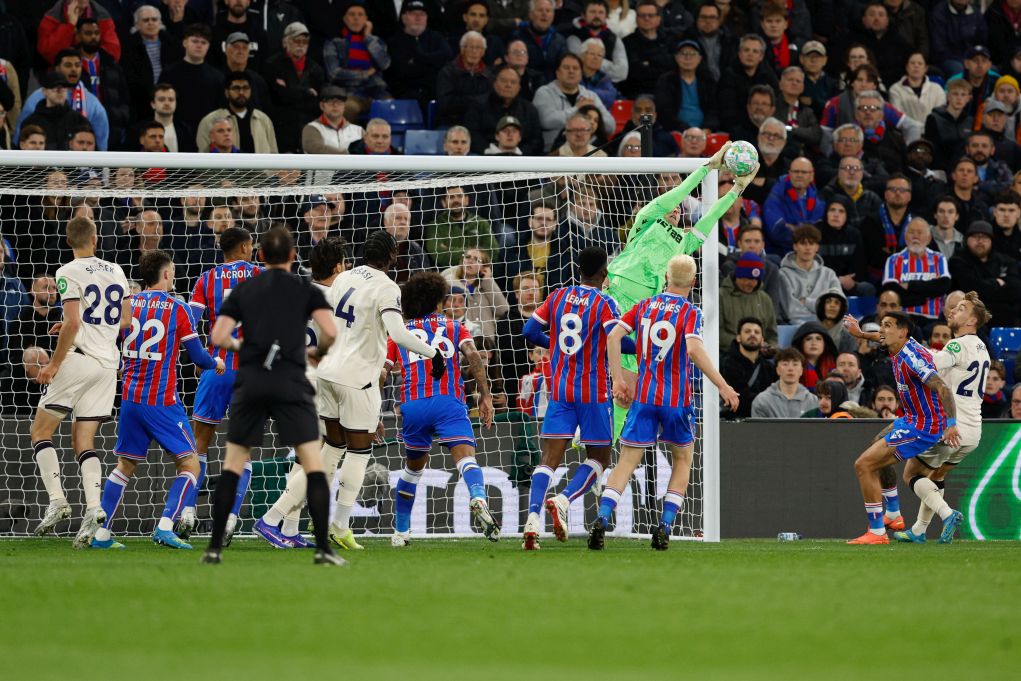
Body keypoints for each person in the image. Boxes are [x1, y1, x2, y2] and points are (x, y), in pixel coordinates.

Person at [198, 226, 342, 565]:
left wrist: (243, 348)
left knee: (233, 464)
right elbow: (330, 331)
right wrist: (316, 353)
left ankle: (214, 548)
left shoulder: (244, 288)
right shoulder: (304, 289)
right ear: (293, 255)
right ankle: (323, 549)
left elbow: (218, 336)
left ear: (261, 255)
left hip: (251, 380)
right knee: (313, 464)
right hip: (290, 380)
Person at [605, 143, 755, 442]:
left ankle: (604, 445)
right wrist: (708, 167)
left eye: (679, 207)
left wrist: (737, 189)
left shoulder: (684, 243)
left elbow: (710, 218)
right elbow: (677, 194)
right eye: (671, 205)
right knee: (598, 364)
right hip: (617, 294)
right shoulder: (647, 220)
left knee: (627, 390)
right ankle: (589, 427)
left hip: (643, 311)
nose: (675, 207)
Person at [591, 254, 739, 550]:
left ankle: (603, 518)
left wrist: (617, 379)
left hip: (644, 398)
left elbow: (613, 337)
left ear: (666, 278)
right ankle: (665, 526)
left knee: (627, 461)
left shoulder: (644, 306)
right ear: (693, 282)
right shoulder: (690, 311)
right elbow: (694, 350)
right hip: (676, 401)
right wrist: (723, 385)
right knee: (682, 460)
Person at [86, 250, 225, 550]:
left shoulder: (128, 304)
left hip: (129, 399)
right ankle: (165, 527)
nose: (173, 275)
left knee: (124, 465)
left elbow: (111, 342)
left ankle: (101, 535)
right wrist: (216, 362)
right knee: (190, 465)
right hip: (161, 401)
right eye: (172, 270)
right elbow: (198, 357)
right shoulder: (178, 308)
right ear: (165, 274)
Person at [317, 231, 446, 550]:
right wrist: (434, 353)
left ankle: (305, 517)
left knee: (332, 447)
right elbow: (398, 334)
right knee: (358, 452)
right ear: (392, 256)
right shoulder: (387, 287)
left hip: (327, 371)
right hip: (356, 377)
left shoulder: (343, 276)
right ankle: (340, 526)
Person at [30, 216, 130, 546]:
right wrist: (86, 326)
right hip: (108, 366)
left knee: (40, 431)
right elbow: (126, 320)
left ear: (68, 241)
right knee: (84, 441)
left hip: (79, 361)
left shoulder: (66, 272)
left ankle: (57, 500)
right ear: (95, 239)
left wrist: (54, 364)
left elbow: (73, 323)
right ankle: (94, 508)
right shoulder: (116, 270)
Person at [384, 272, 499, 546]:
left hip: (413, 404)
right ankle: (478, 497)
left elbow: (382, 373)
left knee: (413, 470)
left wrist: (372, 411)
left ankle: (401, 532)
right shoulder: (454, 326)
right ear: (438, 301)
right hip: (449, 401)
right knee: (466, 459)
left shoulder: (399, 333)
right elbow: (473, 355)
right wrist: (485, 395)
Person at [519, 247, 624, 549]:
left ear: (579, 270)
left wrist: (553, 345)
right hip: (593, 392)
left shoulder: (557, 296)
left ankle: (532, 519)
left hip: (561, 390)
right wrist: (642, 347)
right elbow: (617, 340)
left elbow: (529, 330)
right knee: (599, 458)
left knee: (548, 460)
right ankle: (563, 500)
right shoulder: (605, 303)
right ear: (604, 272)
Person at [254, 236, 347, 549]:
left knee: (305, 454)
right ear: (339, 267)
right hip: (315, 382)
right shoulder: (336, 299)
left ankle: (290, 528)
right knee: (323, 453)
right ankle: (271, 519)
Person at [842, 311, 961, 545]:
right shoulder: (900, 343)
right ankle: (894, 514)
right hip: (910, 418)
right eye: (882, 325)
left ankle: (877, 532)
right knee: (875, 445)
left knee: (864, 465)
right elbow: (881, 337)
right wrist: (861, 334)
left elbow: (942, 388)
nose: (881, 330)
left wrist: (951, 424)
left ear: (902, 332)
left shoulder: (913, 358)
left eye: (887, 325)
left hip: (924, 426)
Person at [174, 227, 261, 541]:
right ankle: (230, 518)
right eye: (251, 244)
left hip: (217, 367)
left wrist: (200, 357)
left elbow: (189, 323)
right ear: (243, 247)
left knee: (199, 442)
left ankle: (187, 511)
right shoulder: (262, 276)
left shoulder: (206, 279)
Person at [323, 5, 391, 123]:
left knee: (392, 106)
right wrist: (365, 74)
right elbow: (334, 74)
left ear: (366, 19)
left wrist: (368, 37)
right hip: (348, 93)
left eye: (360, 15)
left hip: (376, 93)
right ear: (345, 19)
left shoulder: (377, 41)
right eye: (352, 14)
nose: (356, 18)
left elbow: (384, 64)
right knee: (349, 108)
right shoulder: (334, 43)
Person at [533, 52, 614, 151]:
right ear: (557, 72)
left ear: (581, 74)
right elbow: (546, 121)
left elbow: (611, 126)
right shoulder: (544, 93)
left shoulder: (591, 96)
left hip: (588, 152)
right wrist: (577, 110)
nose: (571, 71)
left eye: (575, 68)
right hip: (554, 152)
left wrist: (593, 119)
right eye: (566, 68)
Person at [950, 220, 1021, 327]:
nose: (980, 241)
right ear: (967, 240)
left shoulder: (1004, 261)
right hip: (970, 318)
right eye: (975, 237)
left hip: (1004, 318)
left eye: (984, 237)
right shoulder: (958, 260)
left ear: (991, 241)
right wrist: (997, 283)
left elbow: (1017, 288)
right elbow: (971, 288)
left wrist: (985, 286)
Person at [882, 217, 952, 325]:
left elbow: (943, 286)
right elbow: (892, 292)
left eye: (920, 233)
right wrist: (927, 293)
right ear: (905, 237)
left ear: (928, 238)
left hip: (933, 319)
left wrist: (909, 286)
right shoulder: (893, 260)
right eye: (911, 232)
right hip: (903, 320)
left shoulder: (939, 258)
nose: (915, 236)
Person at [196, 71, 278, 154]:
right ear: (226, 92)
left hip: (259, 163)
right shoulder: (210, 120)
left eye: (245, 88)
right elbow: (202, 154)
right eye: (236, 88)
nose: (241, 92)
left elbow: (274, 153)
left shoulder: (263, 119)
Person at [777, 225, 841, 325]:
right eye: (803, 243)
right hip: (798, 327)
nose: (807, 248)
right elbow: (792, 312)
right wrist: (823, 309)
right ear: (795, 246)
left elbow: (838, 307)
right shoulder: (783, 274)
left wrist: (807, 302)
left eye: (811, 243)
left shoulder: (829, 274)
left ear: (817, 247)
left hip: (828, 326)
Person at [441, 249, 509, 341]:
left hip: (486, 342)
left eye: (476, 259)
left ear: (484, 267)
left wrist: (488, 281)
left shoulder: (487, 284)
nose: (470, 261)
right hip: (456, 339)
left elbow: (503, 310)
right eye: (468, 257)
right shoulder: (448, 283)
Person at [719, 251, 778, 351]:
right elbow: (717, 332)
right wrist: (743, 344)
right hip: (728, 353)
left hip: (760, 354)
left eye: (755, 279)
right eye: (748, 278)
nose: (751, 283)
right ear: (738, 276)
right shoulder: (721, 296)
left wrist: (770, 347)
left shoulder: (765, 299)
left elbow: (772, 334)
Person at [720, 316, 775, 420]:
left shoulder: (769, 367)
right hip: (735, 421)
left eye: (757, 332)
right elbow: (738, 399)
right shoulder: (727, 364)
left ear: (762, 340)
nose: (752, 334)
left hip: (766, 420)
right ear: (738, 338)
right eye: (747, 331)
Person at [749, 347, 819, 417]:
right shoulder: (762, 401)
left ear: (801, 371)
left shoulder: (813, 401)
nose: (790, 369)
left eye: (795, 364)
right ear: (777, 370)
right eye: (785, 364)